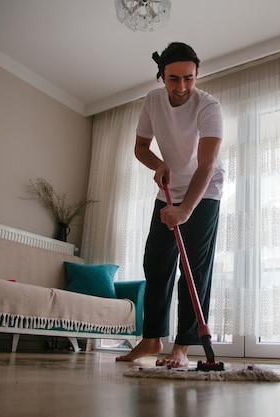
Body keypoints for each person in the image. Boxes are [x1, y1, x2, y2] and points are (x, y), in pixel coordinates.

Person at [116, 42, 224, 368]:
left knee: (193, 269)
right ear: (161, 76)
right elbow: (140, 146)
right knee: (156, 263)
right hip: (168, 190)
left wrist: (185, 210)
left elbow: (205, 166)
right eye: (173, 78)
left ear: (197, 74)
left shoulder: (209, 106)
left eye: (188, 78)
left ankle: (182, 346)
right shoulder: (152, 100)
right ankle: (151, 339)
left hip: (203, 193)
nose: (181, 87)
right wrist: (157, 163)